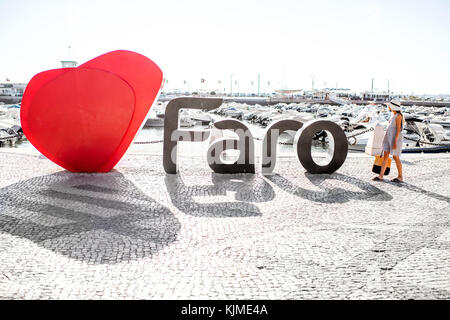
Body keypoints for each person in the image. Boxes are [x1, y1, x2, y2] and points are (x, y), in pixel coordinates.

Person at [372, 99, 404, 183]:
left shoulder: (398, 116)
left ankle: (400, 176)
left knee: (395, 157)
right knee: (385, 156)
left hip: (395, 139)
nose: (388, 106)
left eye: (389, 105)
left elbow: (398, 130)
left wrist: (394, 142)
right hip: (388, 138)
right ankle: (381, 176)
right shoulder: (393, 115)